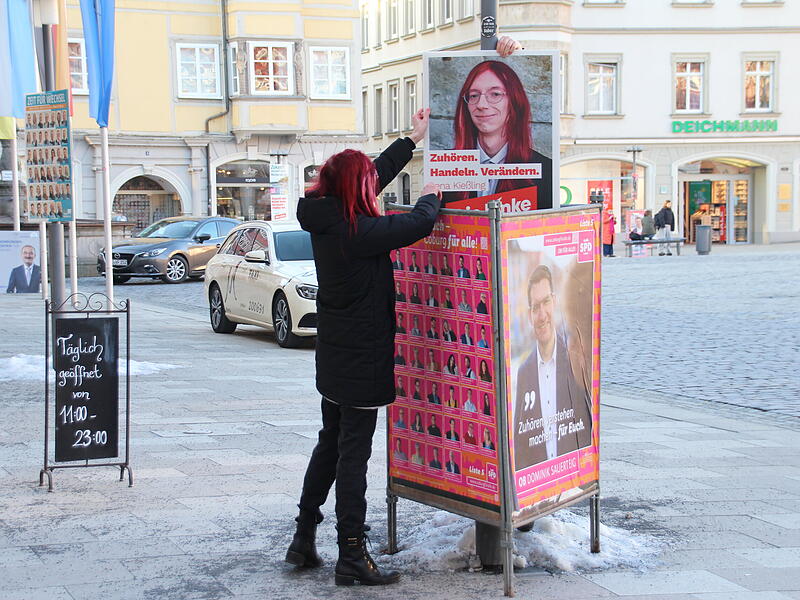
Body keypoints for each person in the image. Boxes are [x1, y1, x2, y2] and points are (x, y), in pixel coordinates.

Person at [288, 108, 440, 586]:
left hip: (334, 357)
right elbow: (415, 225)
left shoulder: (327, 214)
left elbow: (370, 175)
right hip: (362, 359)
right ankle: (351, 553)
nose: (372, 187)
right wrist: (432, 198)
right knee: (353, 456)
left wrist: (411, 140)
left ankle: (304, 533)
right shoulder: (359, 232)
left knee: (330, 443)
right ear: (358, 192)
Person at [441, 40, 553, 209]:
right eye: (473, 95)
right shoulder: (446, 167)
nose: (481, 104)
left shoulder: (545, 169)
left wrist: (517, 50)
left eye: (495, 94)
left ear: (514, 102)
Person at [512, 265, 593, 469]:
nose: (542, 315)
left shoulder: (574, 358)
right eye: (535, 307)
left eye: (546, 302)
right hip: (537, 486)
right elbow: (519, 443)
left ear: (555, 302)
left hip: (572, 477)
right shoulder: (524, 372)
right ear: (530, 314)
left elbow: (587, 423)